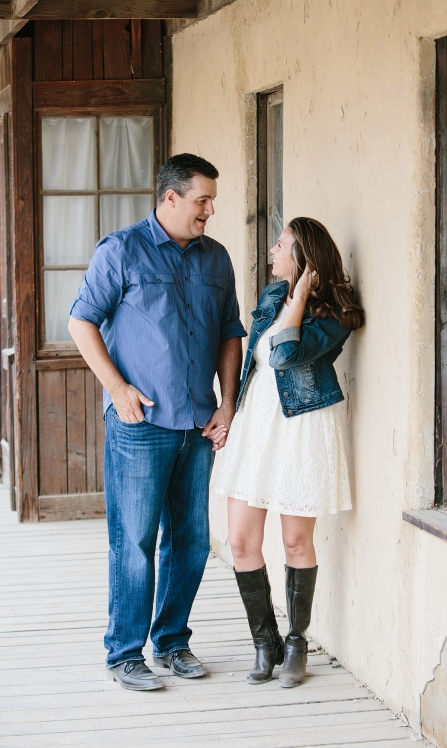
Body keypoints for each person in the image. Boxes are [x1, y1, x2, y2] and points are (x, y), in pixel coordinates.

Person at [68, 154, 245, 691]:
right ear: (170, 198)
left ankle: (172, 641)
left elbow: (230, 333)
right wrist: (116, 388)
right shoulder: (120, 250)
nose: (210, 210)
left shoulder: (216, 259)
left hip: (197, 424)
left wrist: (228, 402)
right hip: (140, 424)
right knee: (135, 540)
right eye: (202, 200)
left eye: (212, 200)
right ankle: (124, 653)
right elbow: (81, 321)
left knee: (190, 540)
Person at [215, 217, 363, 688]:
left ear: (304, 260)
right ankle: (266, 642)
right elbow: (253, 360)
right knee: (240, 540)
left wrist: (300, 298)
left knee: (297, 540)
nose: (272, 251)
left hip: (303, 425)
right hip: (258, 424)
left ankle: (297, 642)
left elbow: (282, 355)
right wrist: (230, 411)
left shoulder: (337, 312)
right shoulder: (270, 296)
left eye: (281, 245)